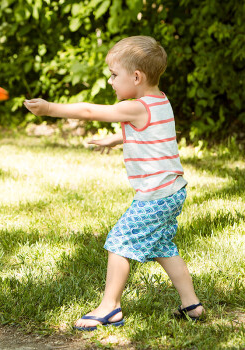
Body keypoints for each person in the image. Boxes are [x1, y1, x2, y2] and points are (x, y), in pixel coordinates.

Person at [24, 35, 205, 331]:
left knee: (119, 241)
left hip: (155, 194)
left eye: (113, 75)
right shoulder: (160, 101)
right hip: (173, 190)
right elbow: (152, 133)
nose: (110, 81)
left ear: (136, 77)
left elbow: (88, 111)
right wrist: (117, 137)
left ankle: (110, 307)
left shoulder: (135, 107)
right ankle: (191, 305)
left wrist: (48, 109)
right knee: (162, 246)